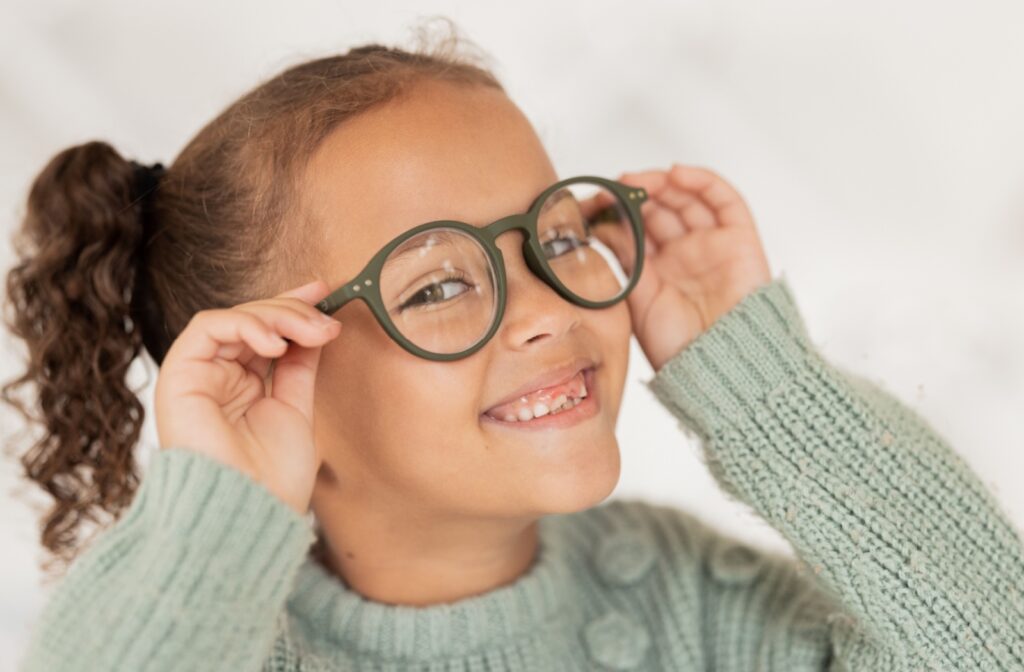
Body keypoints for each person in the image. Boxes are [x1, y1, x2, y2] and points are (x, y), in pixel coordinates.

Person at [5, 20, 1024, 672]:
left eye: (556, 235)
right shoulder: (226, 644)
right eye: (439, 283)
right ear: (275, 368)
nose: (547, 309)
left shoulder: (685, 603)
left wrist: (767, 387)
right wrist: (215, 510)